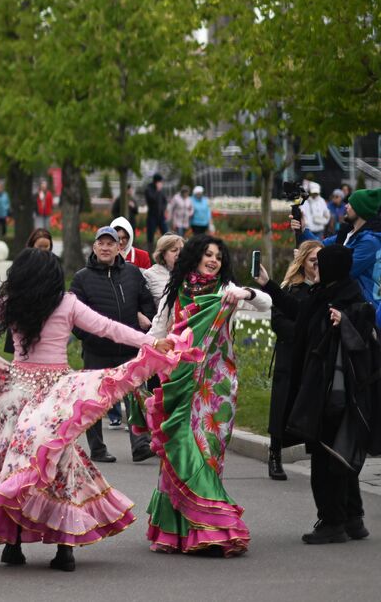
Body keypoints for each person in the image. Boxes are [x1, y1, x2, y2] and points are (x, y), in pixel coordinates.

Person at [0, 247, 182, 574]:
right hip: (57, 396)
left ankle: (14, 543)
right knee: (59, 464)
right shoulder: (65, 303)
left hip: (18, 394)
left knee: (13, 466)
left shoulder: (14, 303)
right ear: (53, 275)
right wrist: (149, 343)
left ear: (20, 276)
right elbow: (109, 328)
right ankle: (63, 547)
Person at [145, 234, 271, 555]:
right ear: (194, 258)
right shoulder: (174, 294)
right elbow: (155, 334)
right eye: (207, 254)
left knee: (209, 454)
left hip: (217, 389)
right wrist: (146, 360)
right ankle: (183, 532)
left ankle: (207, 528)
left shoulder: (226, 292)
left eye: (218, 256)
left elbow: (265, 303)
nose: (213, 260)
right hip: (182, 385)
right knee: (182, 452)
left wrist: (247, 291)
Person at [281, 244, 381, 544]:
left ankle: (332, 521)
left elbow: (362, 337)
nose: (315, 268)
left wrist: (343, 323)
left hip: (331, 395)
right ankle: (353, 517)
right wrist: (269, 287)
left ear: (333, 268)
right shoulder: (333, 294)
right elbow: (300, 317)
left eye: (320, 264)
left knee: (326, 459)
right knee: (341, 452)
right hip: (337, 393)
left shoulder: (342, 301)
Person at [70, 226, 157, 463]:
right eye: (102, 243)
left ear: (120, 247)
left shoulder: (133, 273)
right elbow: (73, 316)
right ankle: (97, 449)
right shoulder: (82, 278)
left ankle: (140, 445)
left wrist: (142, 326)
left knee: (136, 397)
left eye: (111, 244)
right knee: (94, 401)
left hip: (129, 349)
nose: (106, 248)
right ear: (95, 247)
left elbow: (147, 303)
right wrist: (89, 337)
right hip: (97, 351)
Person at [256, 239, 320, 481]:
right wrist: (302, 334)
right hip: (290, 354)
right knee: (283, 405)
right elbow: (279, 321)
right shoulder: (291, 289)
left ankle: (317, 455)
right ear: (302, 262)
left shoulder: (323, 290)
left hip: (312, 358)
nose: (317, 266)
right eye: (313, 260)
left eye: (320, 261)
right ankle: (275, 454)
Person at [294, 186, 381, 324]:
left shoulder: (370, 242)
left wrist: (312, 263)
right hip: (347, 305)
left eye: (350, 204)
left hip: (365, 310)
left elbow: (344, 271)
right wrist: (303, 229)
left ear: (360, 209)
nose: (346, 206)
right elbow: (320, 246)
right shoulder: (347, 234)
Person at [144, 173, 169, 249]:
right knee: (150, 235)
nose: (161, 184)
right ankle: (150, 250)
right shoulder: (149, 189)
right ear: (156, 182)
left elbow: (165, 201)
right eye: (160, 182)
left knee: (166, 233)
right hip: (152, 216)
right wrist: (157, 190)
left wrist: (163, 209)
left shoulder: (161, 190)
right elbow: (152, 199)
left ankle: (166, 248)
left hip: (160, 216)